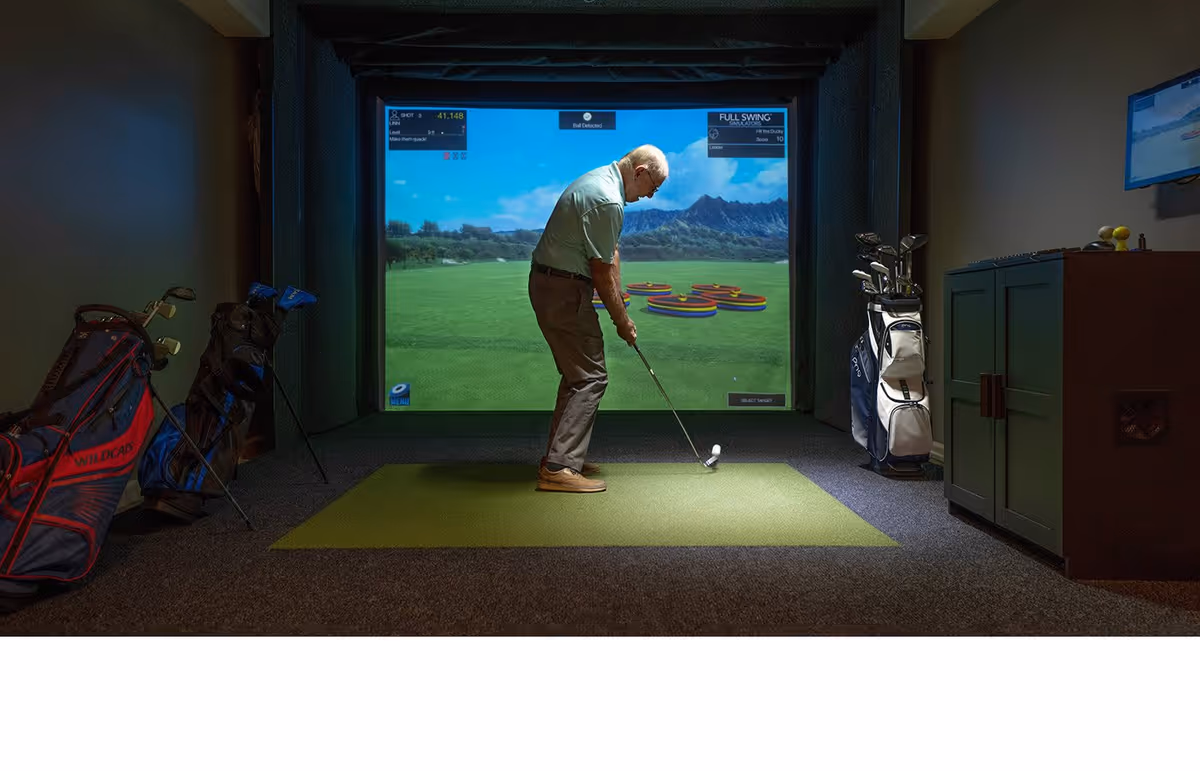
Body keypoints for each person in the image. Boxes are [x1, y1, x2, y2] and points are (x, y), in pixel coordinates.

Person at [528, 144, 669, 493]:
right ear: (640, 172)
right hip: (563, 290)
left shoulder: (603, 182)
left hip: (553, 284)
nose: (650, 196)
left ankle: (559, 458)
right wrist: (623, 323)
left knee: (577, 375)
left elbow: (611, 254)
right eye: (653, 187)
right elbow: (602, 274)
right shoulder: (607, 200)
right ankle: (559, 468)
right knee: (591, 377)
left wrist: (622, 310)